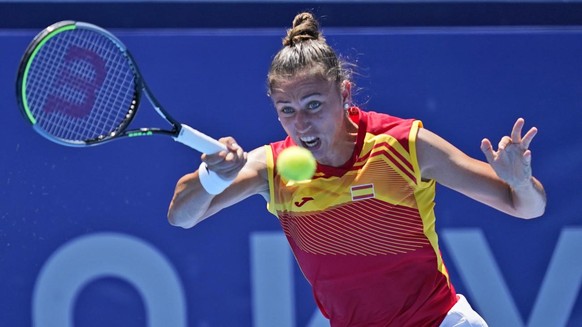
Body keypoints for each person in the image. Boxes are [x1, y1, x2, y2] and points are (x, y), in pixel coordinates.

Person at [167, 12, 546, 327]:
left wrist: (520, 181)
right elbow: (181, 217)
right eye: (287, 110)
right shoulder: (272, 166)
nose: (301, 124)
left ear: (344, 93)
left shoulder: (403, 145)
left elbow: (526, 207)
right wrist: (213, 176)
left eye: (314, 105)